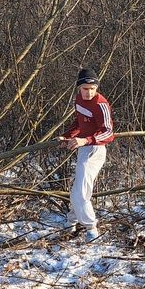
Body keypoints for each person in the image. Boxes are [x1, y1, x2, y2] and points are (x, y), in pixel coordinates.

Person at [57, 68, 114, 233]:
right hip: (83, 149)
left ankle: (91, 228)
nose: (89, 93)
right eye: (85, 89)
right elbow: (79, 123)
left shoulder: (100, 104)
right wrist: (66, 137)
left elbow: (109, 133)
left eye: (92, 89)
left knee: (80, 191)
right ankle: (71, 221)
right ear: (79, 88)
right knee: (79, 189)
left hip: (95, 150)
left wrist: (85, 140)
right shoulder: (78, 100)